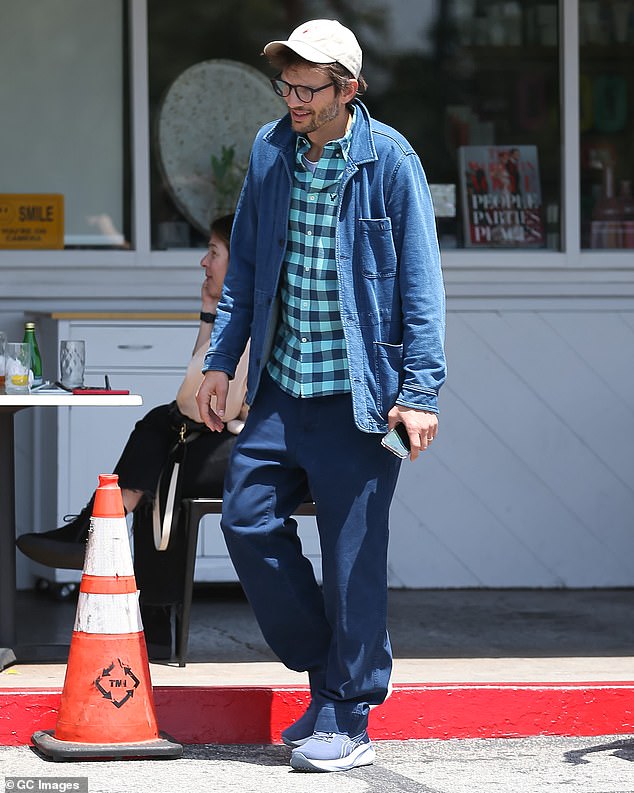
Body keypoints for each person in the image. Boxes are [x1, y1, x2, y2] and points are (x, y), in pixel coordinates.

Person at [195, 19, 446, 774]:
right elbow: (243, 272)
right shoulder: (272, 151)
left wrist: (420, 391)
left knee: (353, 559)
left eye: (308, 88)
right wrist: (221, 360)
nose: (293, 100)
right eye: (287, 86)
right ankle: (333, 669)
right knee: (244, 516)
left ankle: (349, 709)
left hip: (361, 400)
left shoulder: (390, 160)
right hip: (281, 386)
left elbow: (421, 287)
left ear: (349, 89)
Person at [16, 213, 248, 657]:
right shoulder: (236, 317)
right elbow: (196, 392)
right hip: (230, 440)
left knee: (160, 448)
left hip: (259, 451)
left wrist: (213, 321)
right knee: (156, 458)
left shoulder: (252, 322)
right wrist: (208, 317)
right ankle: (102, 542)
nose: (203, 262)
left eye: (214, 253)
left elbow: (199, 401)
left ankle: (96, 532)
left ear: (238, 264)